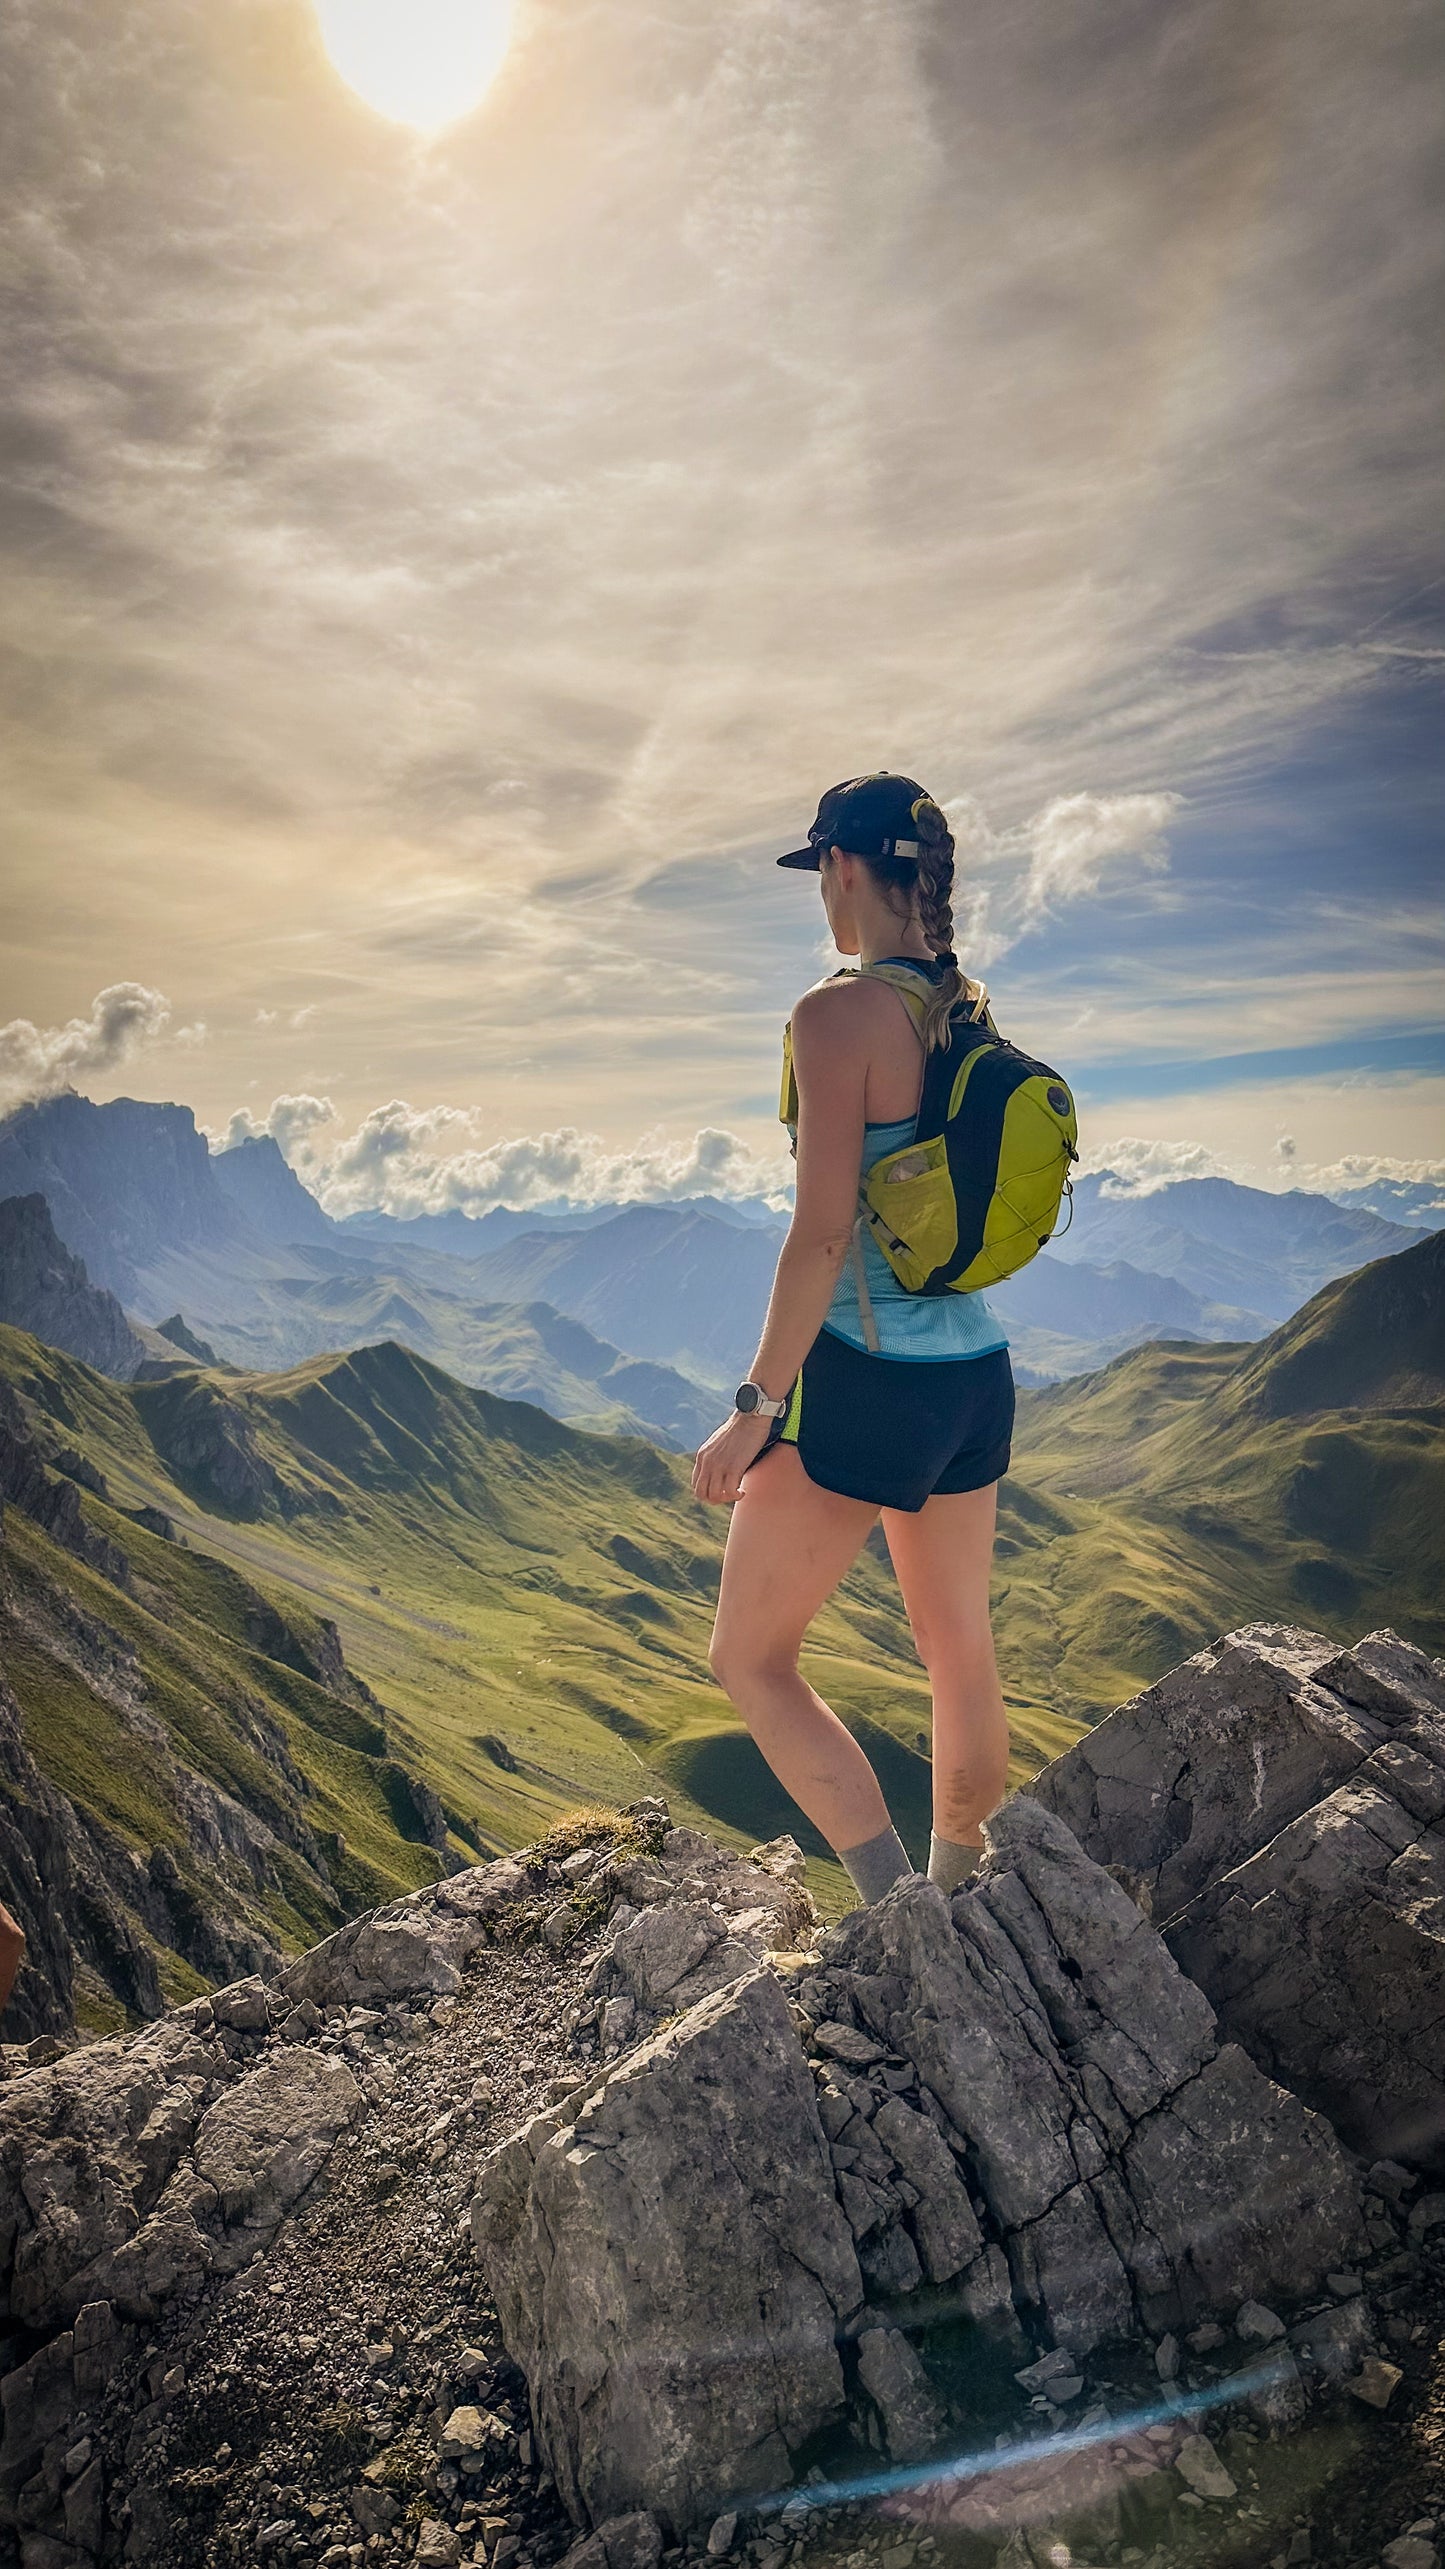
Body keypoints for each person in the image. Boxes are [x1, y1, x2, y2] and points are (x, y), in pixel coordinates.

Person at [692, 773, 1014, 1906]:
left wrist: (753, 1404)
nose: (819, 892)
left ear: (842, 866)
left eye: (819, 870)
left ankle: (897, 1917)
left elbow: (821, 1234)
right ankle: (963, 1897)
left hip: (866, 1379)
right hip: (974, 1375)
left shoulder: (834, 1016)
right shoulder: (963, 1011)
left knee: (748, 1658)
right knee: (955, 1649)